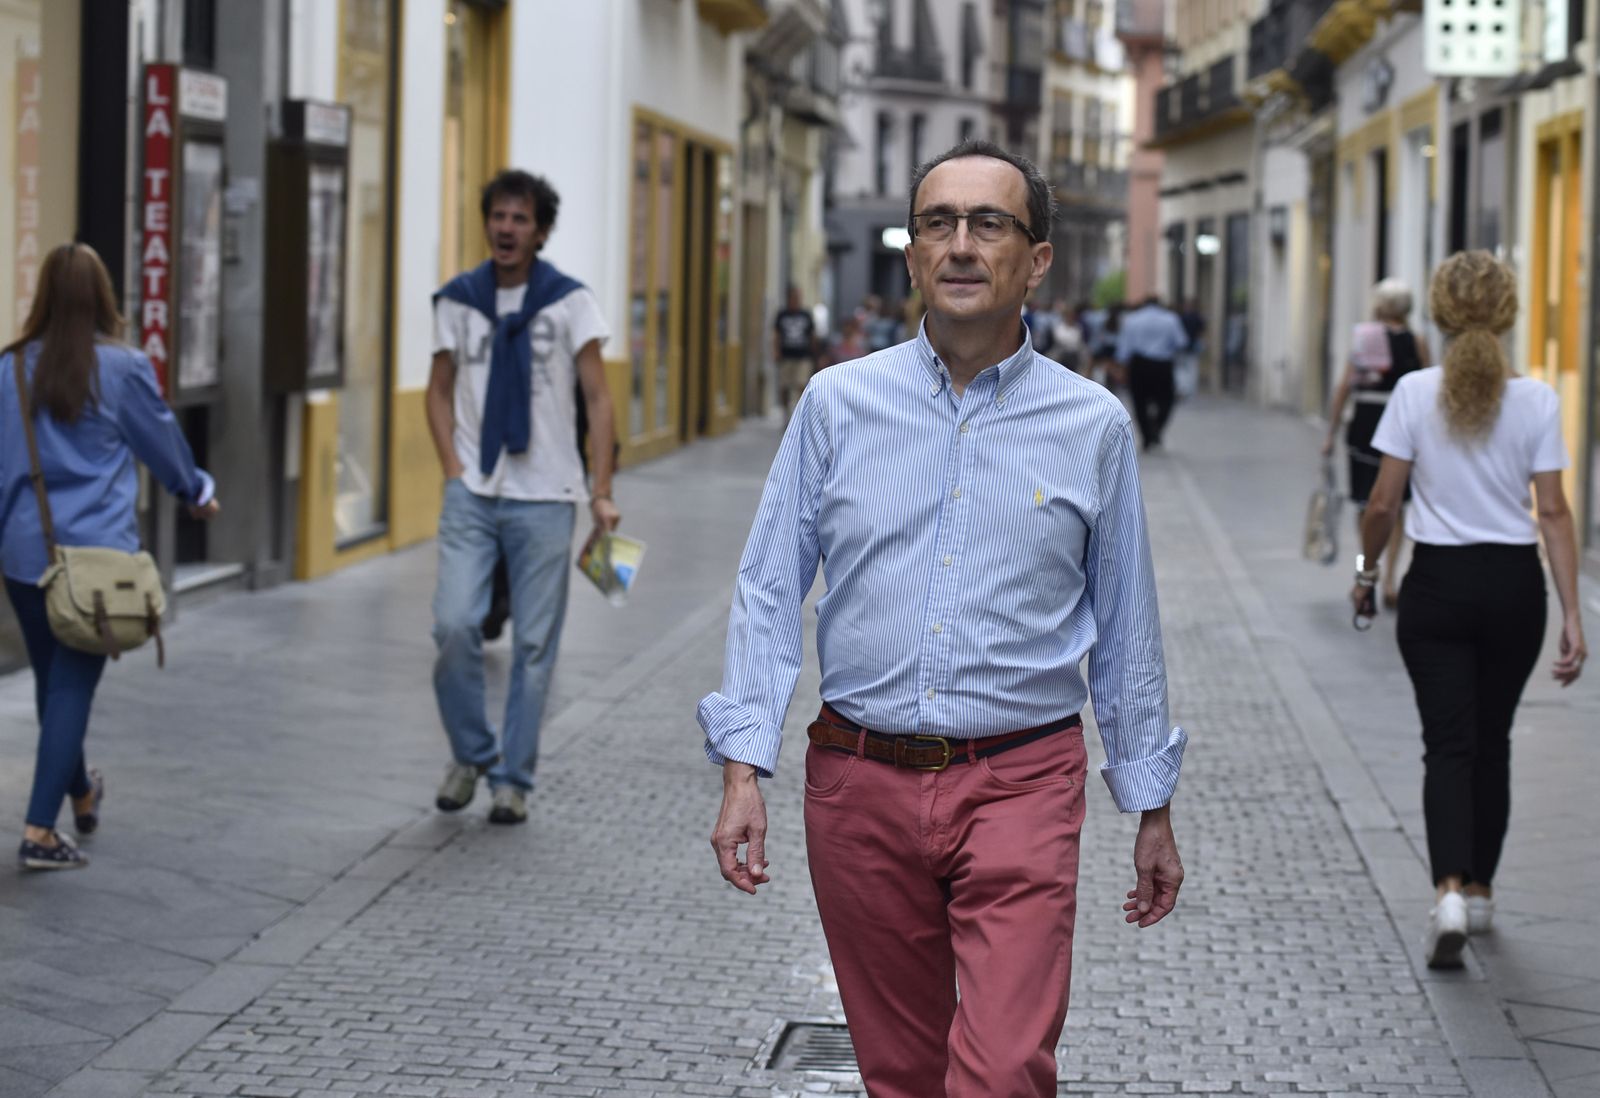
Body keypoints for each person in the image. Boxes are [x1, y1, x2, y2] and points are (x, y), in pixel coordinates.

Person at [702, 139, 1187, 1097]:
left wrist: (1151, 805)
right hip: (859, 785)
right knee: (902, 1074)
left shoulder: (1091, 424)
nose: (961, 245)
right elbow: (768, 587)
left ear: (1036, 259)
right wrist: (742, 766)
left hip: (1020, 783)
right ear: (914, 254)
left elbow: (1128, 623)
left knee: (1004, 1071)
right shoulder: (838, 404)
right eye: (938, 224)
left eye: (989, 224)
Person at [1352, 251, 1585, 969]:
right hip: (1514, 587)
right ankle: (1482, 890)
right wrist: (1575, 616)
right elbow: (1552, 513)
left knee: (1447, 744)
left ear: (1440, 312)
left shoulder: (1415, 393)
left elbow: (1384, 502)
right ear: (1508, 312)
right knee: (1494, 741)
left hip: (1438, 587)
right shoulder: (1539, 400)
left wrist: (1365, 572)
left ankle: (1448, 889)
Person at [0, 244, 220, 870]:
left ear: (41, 296)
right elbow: (163, 443)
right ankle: (40, 832)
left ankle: (80, 793)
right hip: (95, 564)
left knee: (55, 680)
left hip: (24, 556)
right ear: (102, 297)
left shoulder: (9, 368)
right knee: (70, 688)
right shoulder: (122, 369)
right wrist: (196, 490)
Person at [427, 169, 621, 825]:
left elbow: (598, 398)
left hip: (547, 494)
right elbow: (437, 388)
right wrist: (452, 466)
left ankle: (512, 777)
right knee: (454, 627)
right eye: (498, 217)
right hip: (474, 491)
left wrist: (601, 490)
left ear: (538, 232)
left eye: (520, 219)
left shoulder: (568, 302)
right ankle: (471, 752)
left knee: (535, 647)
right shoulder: (458, 299)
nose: (507, 228)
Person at [1323, 279, 1428, 607]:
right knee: (1396, 506)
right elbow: (1429, 385)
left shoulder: (1364, 337)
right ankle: (1391, 578)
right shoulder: (1417, 341)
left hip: (1367, 424)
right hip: (1404, 425)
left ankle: (1367, 569)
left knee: (1365, 504)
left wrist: (1331, 432)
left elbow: (1345, 386)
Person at [1116, 295, 1190, 450]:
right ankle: (1157, 428)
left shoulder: (1132, 319)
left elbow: (1124, 348)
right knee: (1166, 400)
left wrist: (1122, 368)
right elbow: (1181, 342)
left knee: (1139, 401)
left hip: (1139, 364)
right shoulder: (1170, 319)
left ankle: (1146, 436)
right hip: (1162, 365)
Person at [772, 286, 818, 423]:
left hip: (803, 356)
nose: (796, 300)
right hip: (786, 356)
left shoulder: (806, 315)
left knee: (801, 385)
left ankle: (799, 416)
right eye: (793, 297)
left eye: (798, 297)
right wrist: (776, 351)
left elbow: (812, 335)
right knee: (785, 386)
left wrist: (814, 354)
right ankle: (786, 415)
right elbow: (777, 334)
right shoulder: (782, 314)